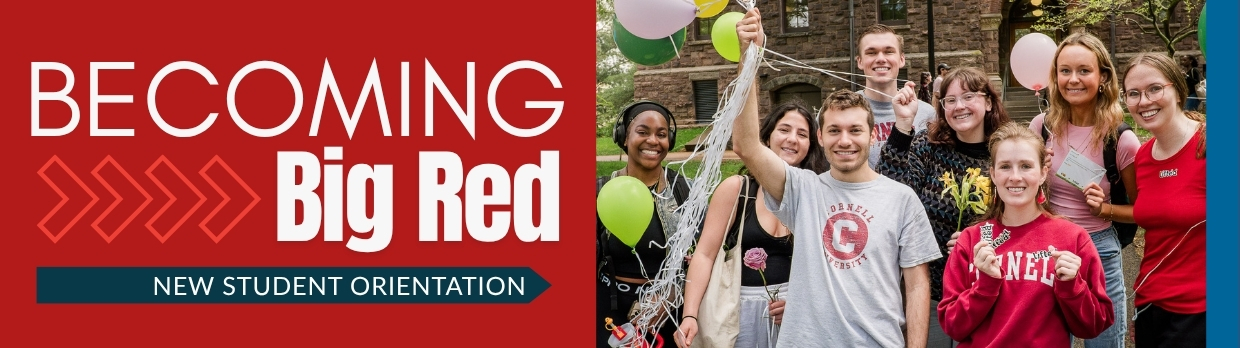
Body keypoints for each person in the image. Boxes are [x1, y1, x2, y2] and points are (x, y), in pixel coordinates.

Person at [732, 9, 942, 347]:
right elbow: (745, 145)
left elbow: (917, 285)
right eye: (834, 130)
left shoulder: (902, 199)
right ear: (820, 136)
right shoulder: (802, 190)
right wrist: (748, 58)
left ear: (873, 136)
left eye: (855, 130)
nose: (845, 140)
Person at [938, 122, 1114, 347]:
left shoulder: (1073, 238)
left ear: (1042, 173)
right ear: (992, 174)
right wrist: (984, 286)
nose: (1015, 176)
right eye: (1004, 167)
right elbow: (952, 326)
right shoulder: (971, 240)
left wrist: (1073, 286)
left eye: (1025, 166)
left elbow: (1094, 325)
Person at [878, 66, 1012, 347]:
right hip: (932, 289)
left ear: (988, 102)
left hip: (990, 288)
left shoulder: (1007, 154)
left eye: (968, 97)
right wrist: (902, 125)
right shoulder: (928, 148)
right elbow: (888, 192)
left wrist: (975, 238)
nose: (959, 106)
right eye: (950, 100)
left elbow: (1021, 219)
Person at [677, 101, 829, 348]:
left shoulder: (816, 194)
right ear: (767, 138)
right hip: (739, 316)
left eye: (802, 134)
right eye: (784, 130)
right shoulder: (737, 190)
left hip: (798, 317)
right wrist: (690, 314)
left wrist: (800, 305)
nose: (792, 139)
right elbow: (704, 255)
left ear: (810, 145)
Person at [1026, 32, 1135, 348]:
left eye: (1084, 70)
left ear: (1102, 76)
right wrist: (1037, 175)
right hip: (1048, 248)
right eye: (1065, 71)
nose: (1073, 79)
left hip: (1098, 252)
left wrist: (1105, 209)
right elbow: (1022, 195)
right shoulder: (1041, 127)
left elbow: (1142, 211)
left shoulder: (1121, 139)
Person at [1107, 52, 1205, 346]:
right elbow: (1151, 218)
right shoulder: (1144, 157)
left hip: (1200, 311)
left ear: (1177, 88)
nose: (1144, 101)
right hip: (1150, 304)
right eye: (1133, 94)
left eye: (1154, 89)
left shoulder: (1210, 145)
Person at [597, 101, 691, 347]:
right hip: (611, 314)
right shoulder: (600, 191)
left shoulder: (685, 191)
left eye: (661, 134)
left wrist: (672, 295)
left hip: (671, 315)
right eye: (643, 132)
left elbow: (704, 257)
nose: (653, 140)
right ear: (624, 138)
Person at [855, 24, 937, 169]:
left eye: (888, 52)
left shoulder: (927, 113)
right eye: (871, 53)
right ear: (860, 61)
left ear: (901, 59)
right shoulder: (839, 112)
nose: (881, 58)